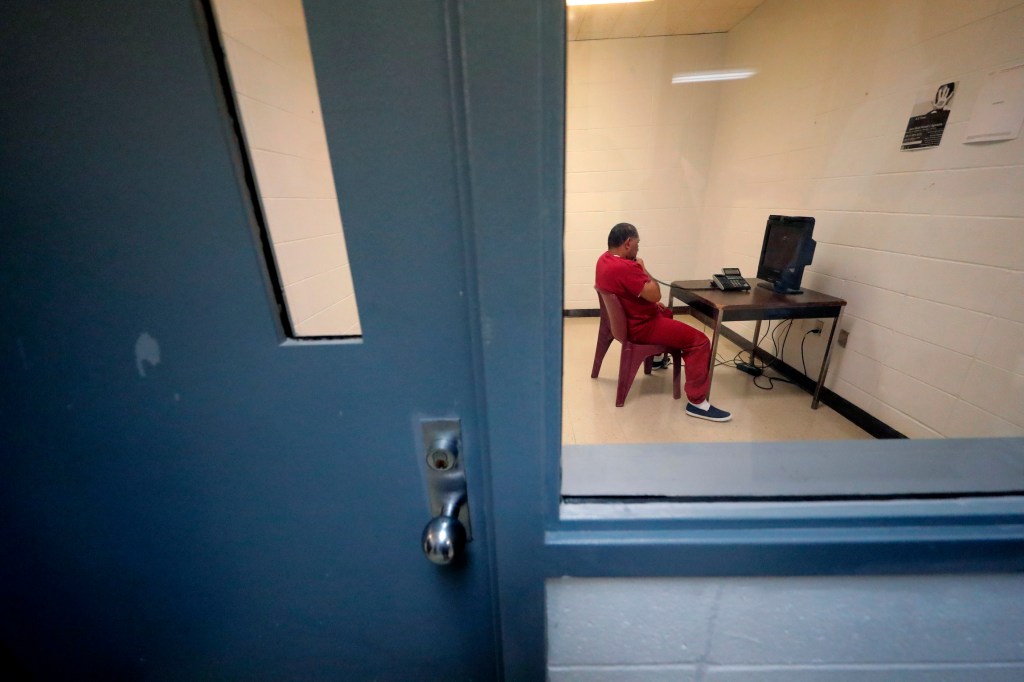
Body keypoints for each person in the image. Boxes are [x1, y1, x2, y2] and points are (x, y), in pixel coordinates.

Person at [595, 222, 732, 422]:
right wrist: (643, 268)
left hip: (625, 322)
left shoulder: (604, 260)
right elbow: (656, 293)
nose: (638, 248)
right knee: (700, 341)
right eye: (637, 244)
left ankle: (658, 358)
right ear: (628, 243)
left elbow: (644, 298)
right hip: (641, 328)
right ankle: (697, 402)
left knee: (666, 311)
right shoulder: (627, 267)